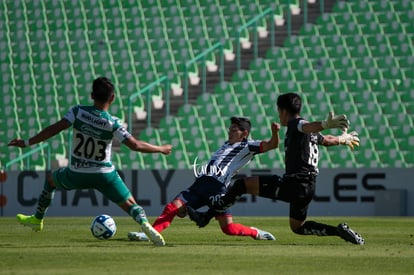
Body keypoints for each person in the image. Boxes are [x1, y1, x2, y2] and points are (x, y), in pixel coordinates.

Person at [8, 76, 172, 246]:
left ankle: (37, 219)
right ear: (112, 98)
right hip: (104, 174)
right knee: (130, 204)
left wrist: (26, 142)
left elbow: (53, 130)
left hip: (77, 173)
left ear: (92, 95)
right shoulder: (113, 123)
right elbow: (135, 145)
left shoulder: (78, 112)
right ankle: (144, 223)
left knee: (51, 180)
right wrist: (161, 149)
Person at [188, 92, 365, 245]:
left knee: (242, 185)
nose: (279, 115)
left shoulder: (298, 124)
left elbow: (308, 126)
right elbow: (327, 140)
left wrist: (325, 124)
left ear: (284, 111)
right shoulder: (308, 132)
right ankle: (339, 231)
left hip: (294, 183)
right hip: (308, 186)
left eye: (279, 111)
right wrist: (343, 139)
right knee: (298, 227)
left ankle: (206, 216)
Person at [129, 116, 280, 241]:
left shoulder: (248, 146)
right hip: (200, 184)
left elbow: (272, 145)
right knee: (172, 207)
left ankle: (256, 233)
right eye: (230, 129)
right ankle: (149, 234)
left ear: (244, 133)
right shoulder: (226, 144)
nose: (230, 132)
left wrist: (274, 132)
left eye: (234, 130)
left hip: (217, 188)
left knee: (228, 228)